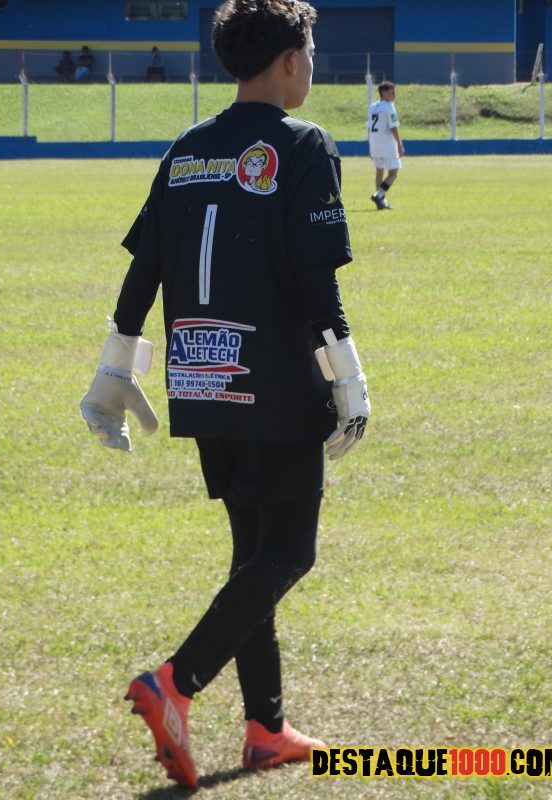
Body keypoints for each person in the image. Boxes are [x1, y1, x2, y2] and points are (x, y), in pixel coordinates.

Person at [80, 0, 370, 789]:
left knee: (253, 558)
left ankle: (266, 730)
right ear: (289, 59)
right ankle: (174, 684)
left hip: (204, 378)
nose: (312, 65)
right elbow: (316, 283)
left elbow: (145, 267)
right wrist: (349, 379)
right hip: (276, 379)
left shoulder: (187, 147)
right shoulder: (304, 143)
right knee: (289, 552)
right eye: (311, 52)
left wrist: (115, 366)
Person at [367, 80, 404, 210]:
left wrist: (370, 145)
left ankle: (381, 202)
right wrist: (399, 144)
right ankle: (379, 195)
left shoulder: (372, 107)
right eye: (391, 92)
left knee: (379, 172)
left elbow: (369, 128)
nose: (394, 95)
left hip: (374, 143)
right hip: (387, 144)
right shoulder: (389, 106)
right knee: (393, 172)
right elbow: (393, 127)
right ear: (383, 93)